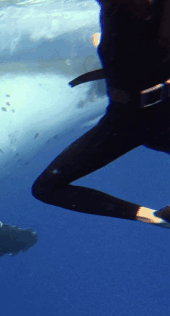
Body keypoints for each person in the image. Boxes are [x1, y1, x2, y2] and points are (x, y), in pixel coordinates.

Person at [32, 0, 170, 228]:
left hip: (128, 121)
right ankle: (156, 218)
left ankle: (154, 218)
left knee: (47, 188)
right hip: (142, 118)